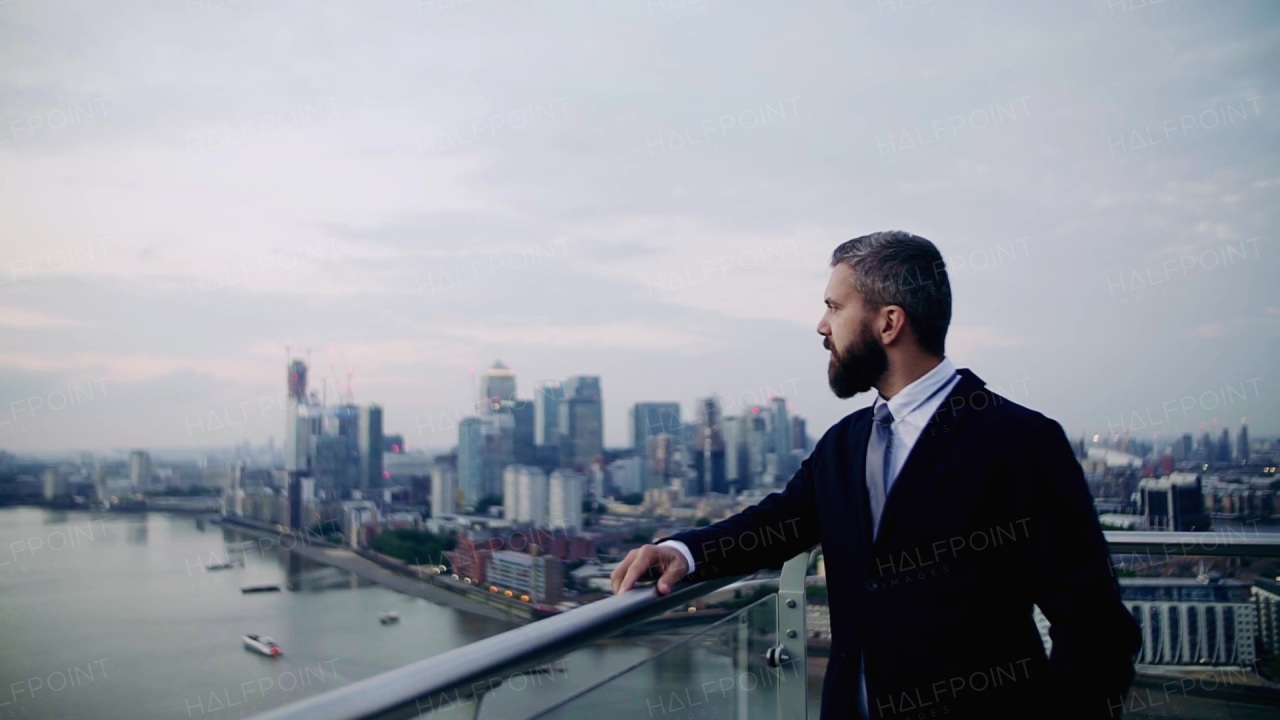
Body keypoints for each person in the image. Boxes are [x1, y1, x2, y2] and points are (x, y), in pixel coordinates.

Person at [612, 231, 1141, 719]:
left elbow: (1094, 628)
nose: (822, 326)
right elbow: (781, 522)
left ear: (889, 323)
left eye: (834, 307)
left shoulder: (1020, 441)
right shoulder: (846, 441)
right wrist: (682, 552)